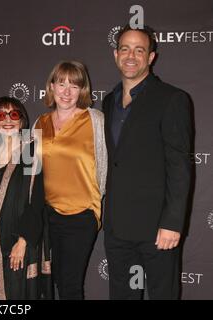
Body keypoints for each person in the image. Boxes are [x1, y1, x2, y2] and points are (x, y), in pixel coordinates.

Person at [102, 24, 192, 300]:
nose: (131, 56)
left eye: (139, 50)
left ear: (151, 57)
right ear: (116, 54)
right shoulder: (108, 101)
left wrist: (173, 223)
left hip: (157, 228)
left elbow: (179, 166)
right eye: (125, 49)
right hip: (117, 226)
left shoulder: (172, 99)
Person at [34, 60, 107, 299]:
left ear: (82, 90)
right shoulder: (40, 123)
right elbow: (28, 169)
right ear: (52, 86)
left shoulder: (95, 120)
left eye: (74, 86)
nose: (66, 91)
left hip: (82, 213)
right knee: (51, 281)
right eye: (61, 83)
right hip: (47, 214)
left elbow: (109, 164)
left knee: (70, 285)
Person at [0, 96, 44, 300]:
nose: (8, 120)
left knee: (17, 293)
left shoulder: (32, 150)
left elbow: (37, 201)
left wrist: (23, 241)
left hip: (18, 239)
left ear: (22, 121)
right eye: (1, 115)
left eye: (14, 114)